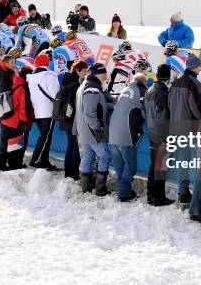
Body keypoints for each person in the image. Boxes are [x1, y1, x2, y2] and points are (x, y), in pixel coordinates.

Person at [169, 53, 201, 205]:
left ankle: (182, 191)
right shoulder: (196, 84)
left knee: (182, 160)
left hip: (175, 126)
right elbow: (196, 109)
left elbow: (170, 104)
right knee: (199, 160)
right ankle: (195, 194)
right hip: (190, 128)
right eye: (200, 66)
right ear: (194, 67)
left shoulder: (176, 82)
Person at [109, 73, 148, 201]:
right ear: (144, 82)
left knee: (119, 163)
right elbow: (146, 110)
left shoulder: (125, 89)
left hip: (113, 131)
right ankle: (125, 192)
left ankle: (122, 188)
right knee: (130, 165)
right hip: (126, 132)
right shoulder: (142, 91)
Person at [76, 63, 112, 196]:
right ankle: (100, 189)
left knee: (88, 157)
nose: (105, 76)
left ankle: (86, 189)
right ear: (97, 74)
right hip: (92, 131)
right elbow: (90, 112)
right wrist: (97, 129)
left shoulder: (86, 85)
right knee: (105, 156)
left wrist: (112, 104)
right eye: (104, 74)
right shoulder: (92, 88)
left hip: (84, 129)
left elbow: (98, 104)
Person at [144, 64, 174, 207]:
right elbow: (163, 117)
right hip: (161, 136)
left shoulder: (149, 90)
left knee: (153, 167)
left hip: (152, 132)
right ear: (168, 77)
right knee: (160, 167)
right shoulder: (162, 94)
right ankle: (158, 197)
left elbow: (145, 112)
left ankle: (151, 195)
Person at [0, 62, 33, 171]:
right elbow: (23, 107)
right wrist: (24, 121)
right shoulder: (23, 88)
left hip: (5, 117)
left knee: (4, 143)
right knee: (14, 144)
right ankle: (14, 165)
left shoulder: (13, 82)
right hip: (15, 120)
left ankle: (0, 164)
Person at [26, 54, 60, 170]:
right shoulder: (50, 76)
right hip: (48, 111)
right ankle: (35, 160)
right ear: (47, 63)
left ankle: (44, 161)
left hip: (38, 111)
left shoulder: (31, 77)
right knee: (45, 137)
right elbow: (56, 94)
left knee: (45, 137)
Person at [61, 60, 89, 180]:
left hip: (66, 119)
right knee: (75, 147)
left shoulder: (66, 82)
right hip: (74, 119)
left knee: (70, 146)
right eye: (83, 71)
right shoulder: (76, 85)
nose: (85, 73)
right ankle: (73, 174)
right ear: (77, 71)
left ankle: (68, 173)